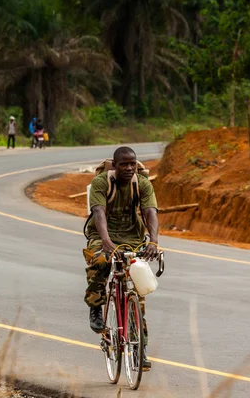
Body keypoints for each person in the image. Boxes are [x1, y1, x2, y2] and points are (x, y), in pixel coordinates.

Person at [82, 146, 159, 370]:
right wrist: (106, 242)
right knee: (101, 262)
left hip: (133, 237)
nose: (128, 168)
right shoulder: (101, 183)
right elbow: (98, 213)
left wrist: (153, 241)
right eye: (123, 164)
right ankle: (96, 305)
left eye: (132, 164)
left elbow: (151, 213)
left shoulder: (142, 183)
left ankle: (140, 350)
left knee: (138, 291)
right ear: (114, 166)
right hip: (102, 235)